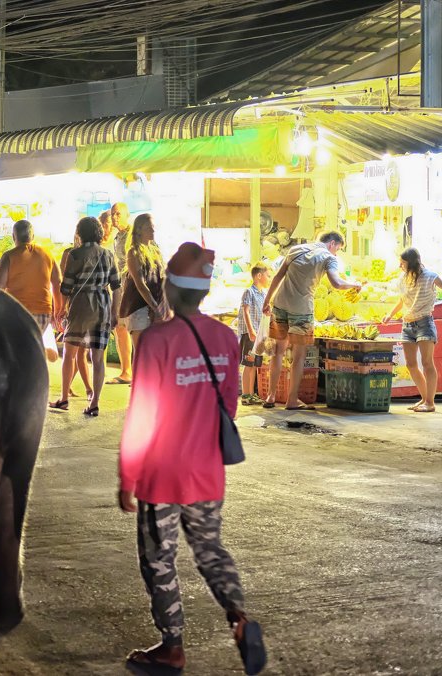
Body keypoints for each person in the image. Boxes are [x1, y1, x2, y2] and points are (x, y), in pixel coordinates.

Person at [118, 242, 267, 676]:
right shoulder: (224, 339)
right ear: (201, 292)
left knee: (159, 559)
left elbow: (142, 413)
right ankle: (239, 618)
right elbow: (230, 405)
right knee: (210, 551)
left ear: (168, 287)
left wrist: (127, 473)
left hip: (161, 474)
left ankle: (173, 647)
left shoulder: (156, 340)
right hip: (206, 470)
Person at [262, 231, 362, 410]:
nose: (336, 253)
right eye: (338, 249)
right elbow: (337, 283)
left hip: (280, 304)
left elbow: (277, 277)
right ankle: (291, 400)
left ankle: (270, 396)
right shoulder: (328, 257)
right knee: (298, 356)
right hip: (301, 310)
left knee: (278, 352)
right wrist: (355, 284)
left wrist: (266, 301)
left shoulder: (296, 249)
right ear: (332, 243)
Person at [384, 248, 442, 413]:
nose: (400, 266)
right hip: (407, 324)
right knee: (411, 364)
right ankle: (424, 399)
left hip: (424, 323)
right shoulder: (403, 278)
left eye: (402, 263)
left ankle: (430, 402)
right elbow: (402, 300)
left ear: (411, 262)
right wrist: (390, 315)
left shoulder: (430, 276)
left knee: (427, 363)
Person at [53, 216, 120, 417]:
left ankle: (64, 398)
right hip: (102, 306)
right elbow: (117, 286)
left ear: (80, 233)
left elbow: (66, 287)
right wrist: (114, 312)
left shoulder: (75, 254)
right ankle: (94, 403)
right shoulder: (108, 255)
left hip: (80, 306)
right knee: (98, 359)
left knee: (70, 354)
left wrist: (61, 309)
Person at [0, 219, 62, 337]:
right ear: (33, 236)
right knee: (32, 345)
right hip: (43, 312)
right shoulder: (47, 254)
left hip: (16, 311)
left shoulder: (9, 256)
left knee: (17, 348)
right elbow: (58, 282)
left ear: (14, 237)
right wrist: (57, 310)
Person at [120, 213, 165, 353]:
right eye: (148, 228)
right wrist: (155, 307)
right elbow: (140, 284)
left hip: (153, 305)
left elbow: (161, 278)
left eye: (153, 228)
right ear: (139, 230)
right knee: (142, 353)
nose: (153, 231)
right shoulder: (133, 253)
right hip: (138, 306)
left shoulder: (155, 250)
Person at [58, 233, 94, 401]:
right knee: (75, 351)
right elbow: (63, 281)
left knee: (80, 351)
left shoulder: (88, 254)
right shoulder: (70, 253)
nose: (78, 240)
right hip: (73, 306)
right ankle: (85, 389)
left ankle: (73, 389)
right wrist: (61, 305)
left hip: (82, 306)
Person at [106, 202, 134, 385]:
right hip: (122, 289)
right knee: (120, 328)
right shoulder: (118, 237)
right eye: (112, 214)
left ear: (126, 215)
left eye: (118, 214)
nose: (114, 218)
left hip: (134, 289)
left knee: (135, 330)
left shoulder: (134, 235)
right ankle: (126, 371)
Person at [237, 265, 271, 405]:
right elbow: (246, 311)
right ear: (259, 276)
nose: (269, 279)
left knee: (255, 365)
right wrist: (251, 331)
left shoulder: (263, 294)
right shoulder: (248, 292)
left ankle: (251, 394)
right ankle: (245, 395)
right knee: (248, 363)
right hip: (250, 333)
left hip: (260, 334)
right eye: (268, 276)